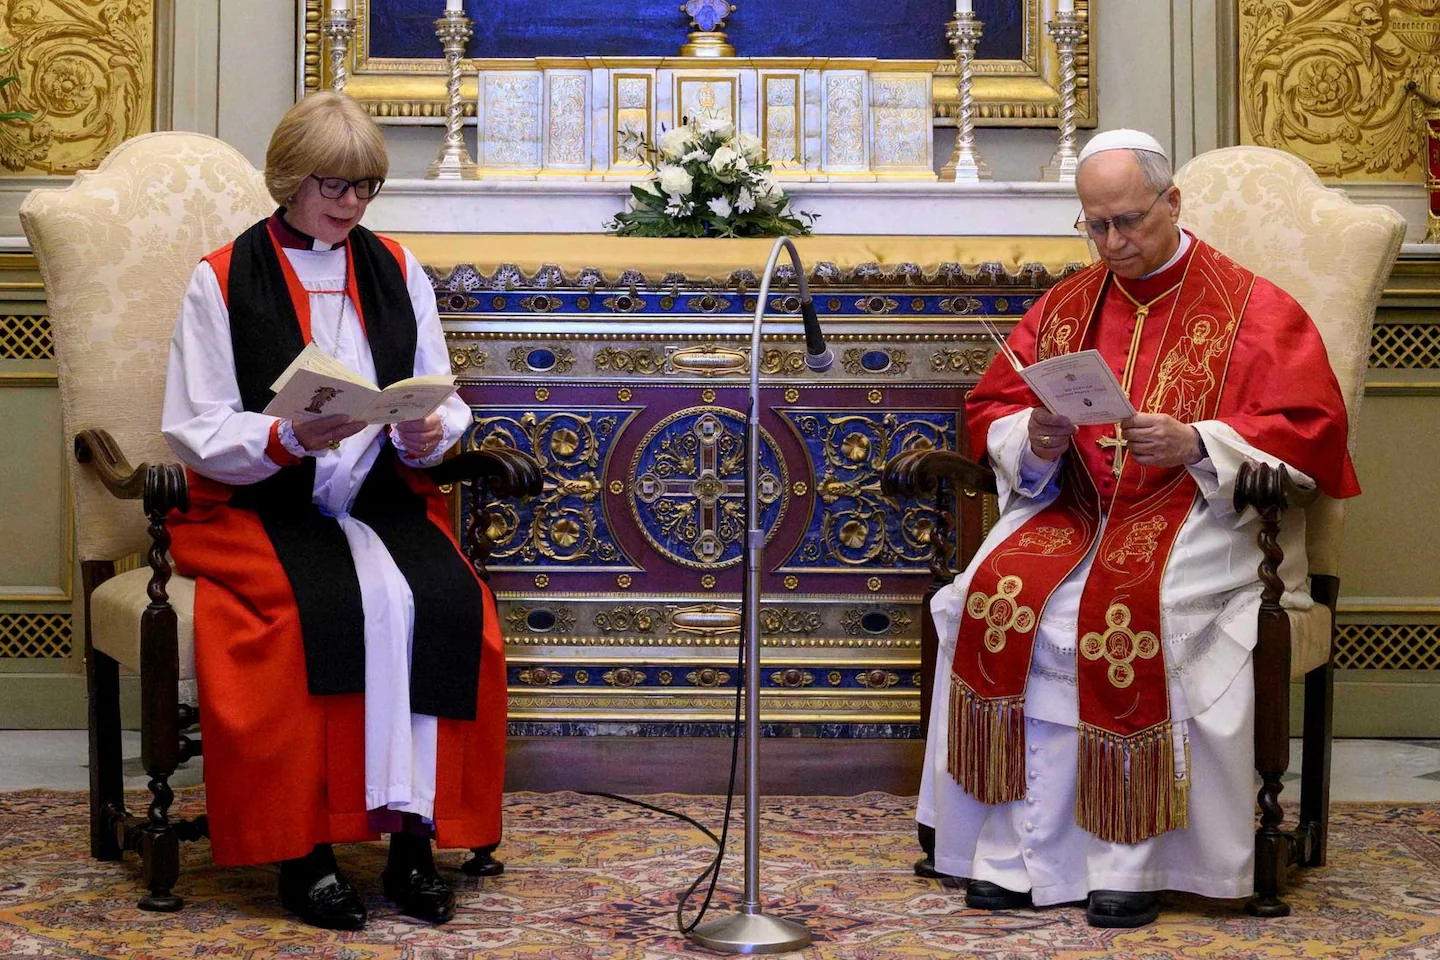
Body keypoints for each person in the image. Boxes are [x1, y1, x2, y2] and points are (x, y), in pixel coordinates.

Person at [916, 129, 1359, 928]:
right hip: (1075, 510)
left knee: (1125, 613)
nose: (1114, 243)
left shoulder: (1255, 309)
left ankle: (1135, 859)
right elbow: (993, 410)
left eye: (1129, 222)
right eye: (1097, 225)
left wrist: (1198, 442)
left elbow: (1310, 432)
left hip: (1197, 516)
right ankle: (1011, 854)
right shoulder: (1067, 305)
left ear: (1172, 204)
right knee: (993, 592)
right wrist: (1035, 438)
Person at [162, 92, 507, 930]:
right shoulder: (220, 278)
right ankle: (305, 853)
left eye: (365, 188)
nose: (350, 205)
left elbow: (439, 389)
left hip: (377, 499)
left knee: (451, 605)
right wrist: (287, 437)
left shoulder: (395, 266)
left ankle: (415, 842)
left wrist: (429, 429)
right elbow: (196, 424)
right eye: (333, 185)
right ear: (287, 178)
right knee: (301, 622)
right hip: (258, 508)